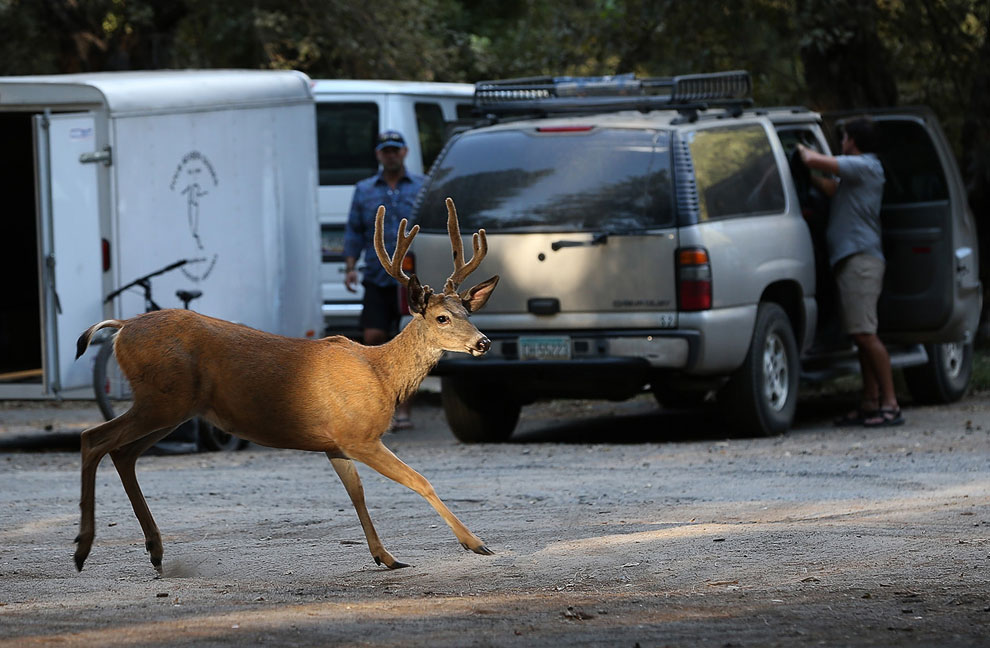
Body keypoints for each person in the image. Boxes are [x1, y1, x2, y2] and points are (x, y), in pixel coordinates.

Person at [798, 117, 904, 427]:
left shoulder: (866, 165)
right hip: (850, 258)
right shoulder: (858, 172)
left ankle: (890, 403)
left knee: (866, 334)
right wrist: (809, 178)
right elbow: (832, 188)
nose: (841, 143)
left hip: (861, 259)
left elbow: (814, 159)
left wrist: (799, 150)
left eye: (843, 138)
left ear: (853, 141)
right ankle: (870, 402)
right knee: (860, 335)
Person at [343, 130, 424, 430]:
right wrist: (350, 266)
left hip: (411, 279)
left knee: (411, 343)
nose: (390, 155)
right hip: (377, 275)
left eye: (395, 150)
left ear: (403, 153)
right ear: (379, 155)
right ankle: (375, 407)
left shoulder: (421, 186)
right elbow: (354, 229)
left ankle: (403, 411)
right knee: (374, 338)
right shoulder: (364, 190)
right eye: (385, 151)